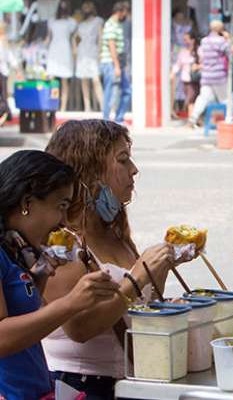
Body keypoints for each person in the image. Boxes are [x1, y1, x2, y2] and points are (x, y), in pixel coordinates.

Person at [43, 120, 182, 398]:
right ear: (90, 172)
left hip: (128, 381)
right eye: (123, 160)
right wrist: (138, 276)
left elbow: (137, 306)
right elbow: (79, 327)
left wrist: (161, 267)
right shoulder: (62, 242)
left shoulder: (114, 231)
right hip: (81, 386)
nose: (134, 169)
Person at [0, 150, 119, 399]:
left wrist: (41, 275)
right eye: (61, 206)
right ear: (27, 203)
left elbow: (23, 316)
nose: (63, 221)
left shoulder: (15, 249)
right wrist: (71, 303)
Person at [188, 20, 231, 128]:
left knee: (203, 98)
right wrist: (228, 39)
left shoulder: (204, 41)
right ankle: (228, 119)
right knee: (225, 99)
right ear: (221, 30)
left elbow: (201, 56)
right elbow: (231, 52)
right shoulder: (221, 41)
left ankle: (193, 118)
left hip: (206, 75)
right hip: (218, 76)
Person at [100, 1, 129, 123]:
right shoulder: (111, 24)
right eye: (125, 12)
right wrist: (117, 66)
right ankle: (106, 120)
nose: (126, 15)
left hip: (116, 64)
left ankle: (118, 118)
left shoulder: (116, 24)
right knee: (109, 92)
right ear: (120, 12)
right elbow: (112, 46)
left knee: (126, 91)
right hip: (111, 64)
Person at [46, 2, 77, 112]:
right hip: (54, 50)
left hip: (65, 50)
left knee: (64, 80)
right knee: (52, 79)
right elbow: (48, 38)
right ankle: (51, 104)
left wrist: (74, 52)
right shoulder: (52, 21)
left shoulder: (71, 22)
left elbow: (73, 38)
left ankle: (63, 107)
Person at [74, 1, 104, 113]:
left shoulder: (98, 21)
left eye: (88, 7)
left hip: (93, 52)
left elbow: (101, 37)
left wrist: (100, 52)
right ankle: (87, 106)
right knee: (84, 79)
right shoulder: (81, 24)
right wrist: (75, 48)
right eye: (84, 7)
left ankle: (103, 105)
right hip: (82, 52)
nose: (86, 9)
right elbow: (75, 37)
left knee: (96, 79)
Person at [171, 31, 200, 121]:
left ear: (193, 40)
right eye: (184, 40)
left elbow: (206, 63)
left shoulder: (199, 50)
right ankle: (192, 119)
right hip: (186, 80)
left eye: (187, 39)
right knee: (191, 100)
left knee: (192, 100)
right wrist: (172, 73)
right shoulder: (183, 52)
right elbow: (178, 64)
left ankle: (192, 119)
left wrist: (198, 66)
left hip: (196, 79)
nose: (185, 42)